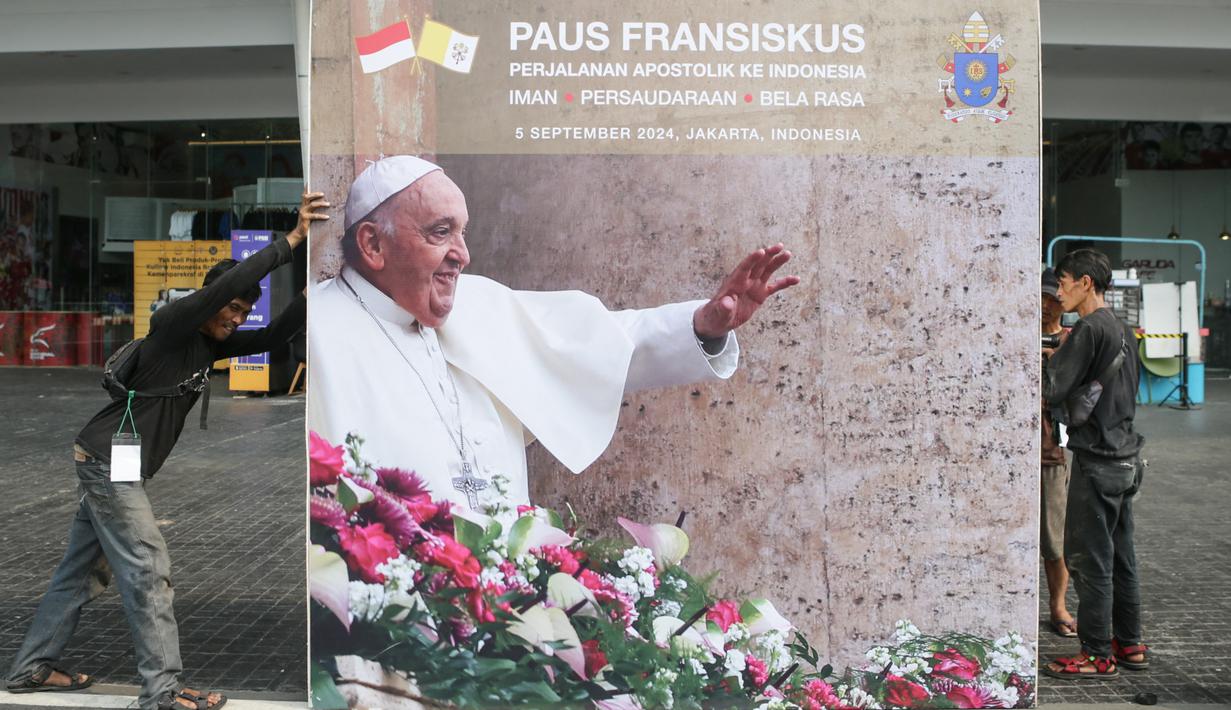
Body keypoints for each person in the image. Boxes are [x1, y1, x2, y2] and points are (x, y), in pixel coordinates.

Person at [308, 156, 799, 511]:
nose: (463, 254)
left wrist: (703, 325)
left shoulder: (479, 302)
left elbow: (602, 343)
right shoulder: (319, 333)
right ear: (373, 244)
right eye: (441, 232)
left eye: (464, 232)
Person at [5, 192, 328, 710]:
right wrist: (291, 240)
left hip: (110, 463)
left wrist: (314, 297)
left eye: (244, 310)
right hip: (109, 464)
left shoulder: (211, 343)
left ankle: (28, 668)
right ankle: (161, 691)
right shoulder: (174, 324)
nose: (238, 317)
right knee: (148, 570)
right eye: (232, 306)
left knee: (79, 575)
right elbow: (227, 285)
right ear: (211, 299)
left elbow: (274, 335)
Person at [1042, 249, 1149, 680]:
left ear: (1087, 283)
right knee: (1123, 557)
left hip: (1097, 460)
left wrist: (1051, 358)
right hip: (1127, 459)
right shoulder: (1122, 328)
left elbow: (1052, 389)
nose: (1059, 290)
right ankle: (1131, 644)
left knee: (1091, 560)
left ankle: (1096, 653)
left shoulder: (1087, 329)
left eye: (1065, 281)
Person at [1039, 267, 1075, 638]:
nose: (1047, 304)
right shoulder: (1016, 333)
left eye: (1053, 297)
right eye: (1042, 297)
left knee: (1054, 537)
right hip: (1014, 449)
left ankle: (1058, 605)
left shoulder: (1071, 339)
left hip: (1053, 450)